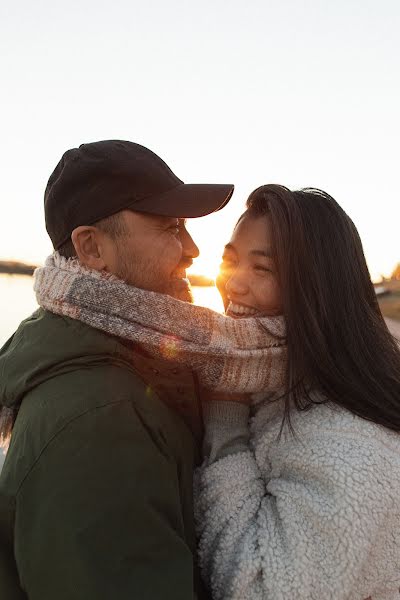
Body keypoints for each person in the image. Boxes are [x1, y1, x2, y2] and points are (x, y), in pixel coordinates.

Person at [0, 139, 233, 600]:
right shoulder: (98, 417)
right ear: (91, 247)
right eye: (170, 227)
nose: (192, 249)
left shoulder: (132, 361)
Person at [195, 185, 400, 600]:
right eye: (230, 261)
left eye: (264, 269)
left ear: (316, 289)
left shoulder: (352, 444)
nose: (233, 285)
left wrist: (226, 417)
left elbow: (263, 590)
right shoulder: (277, 383)